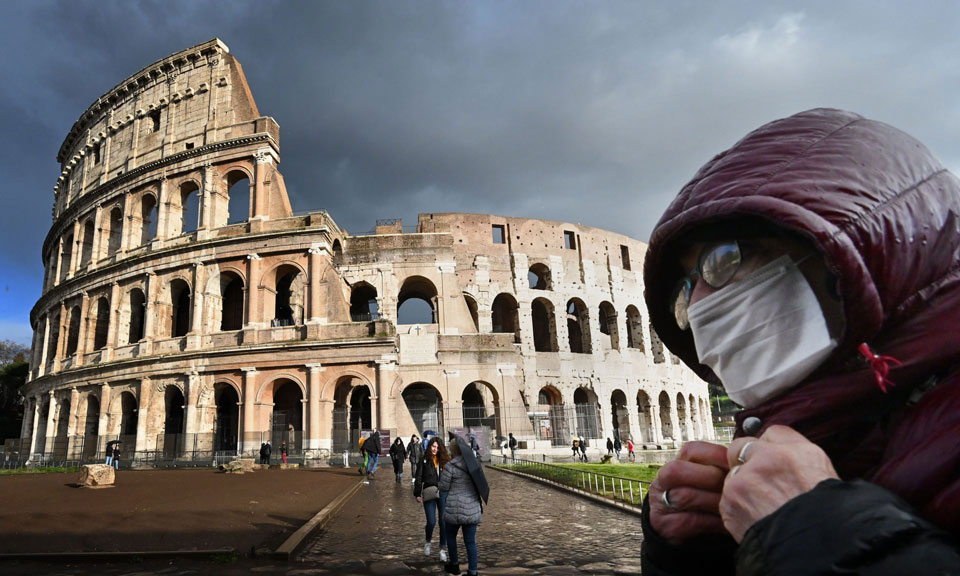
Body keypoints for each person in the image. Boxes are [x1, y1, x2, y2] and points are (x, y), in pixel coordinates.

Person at [639, 108, 960, 575]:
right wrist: (693, 551)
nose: (701, 303)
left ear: (854, 249)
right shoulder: (817, 430)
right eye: (684, 291)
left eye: (723, 257)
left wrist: (815, 529)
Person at [440, 438, 484, 576]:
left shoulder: (450, 466)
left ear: (452, 451)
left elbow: (443, 487)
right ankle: (473, 571)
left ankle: (454, 565)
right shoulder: (474, 465)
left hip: (454, 508)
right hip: (472, 508)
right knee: (470, 541)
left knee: (451, 537)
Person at [414, 437, 450, 563]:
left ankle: (442, 550)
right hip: (429, 492)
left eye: (437, 447)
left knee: (443, 522)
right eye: (433, 447)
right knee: (431, 522)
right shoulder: (424, 460)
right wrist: (417, 493)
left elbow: (450, 477)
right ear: (429, 447)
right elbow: (418, 477)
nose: (435, 449)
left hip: (443, 493)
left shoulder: (445, 461)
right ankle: (428, 542)